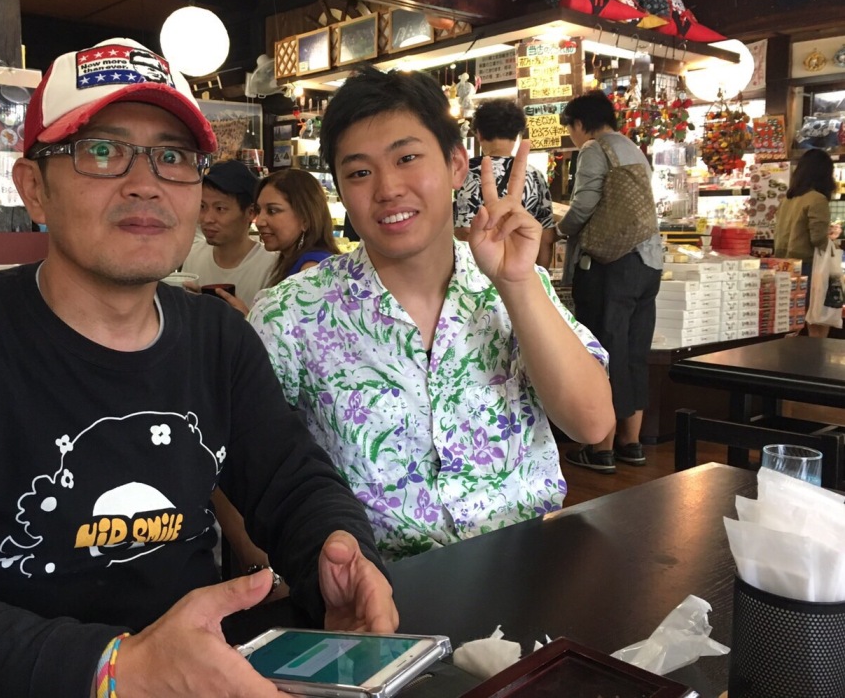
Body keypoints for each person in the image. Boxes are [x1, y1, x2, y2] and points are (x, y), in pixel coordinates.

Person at [0, 37, 396, 698]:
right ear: (33, 189)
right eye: (101, 151)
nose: (145, 183)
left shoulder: (217, 338)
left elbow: (292, 480)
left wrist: (339, 557)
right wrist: (115, 668)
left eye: (173, 157)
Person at [248, 67, 613, 560]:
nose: (387, 188)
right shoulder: (290, 314)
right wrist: (274, 569)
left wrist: (517, 284)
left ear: (456, 164)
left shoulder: (514, 283)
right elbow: (241, 458)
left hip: (529, 566)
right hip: (377, 588)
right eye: (359, 172)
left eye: (407, 158)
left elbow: (591, 424)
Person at [556, 89, 663, 474]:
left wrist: (559, 229)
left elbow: (584, 204)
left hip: (610, 265)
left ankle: (600, 448)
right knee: (634, 351)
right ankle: (630, 444)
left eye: (571, 128)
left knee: (602, 350)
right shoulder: (633, 149)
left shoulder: (594, 148)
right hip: (648, 264)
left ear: (579, 123)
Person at [453, 99, 557, 269]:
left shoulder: (465, 172)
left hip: (475, 273)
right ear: (516, 136)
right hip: (521, 269)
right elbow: (546, 236)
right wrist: (540, 276)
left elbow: (464, 232)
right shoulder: (535, 176)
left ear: (479, 134)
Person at [182, 160, 276, 307]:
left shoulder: (271, 267)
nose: (207, 219)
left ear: (251, 213)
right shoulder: (193, 255)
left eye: (220, 209)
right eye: (202, 206)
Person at [773, 148, 842, 338]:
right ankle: (815, 354)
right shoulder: (817, 199)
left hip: (785, 265)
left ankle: (789, 353)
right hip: (809, 266)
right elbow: (817, 238)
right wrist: (832, 239)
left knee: (793, 318)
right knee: (817, 318)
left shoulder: (788, 199)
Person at [256, 168, 341, 287]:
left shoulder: (311, 269)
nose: (259, 222)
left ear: (305, 219)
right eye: (258, 210)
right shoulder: (292, 261)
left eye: (272, 211)